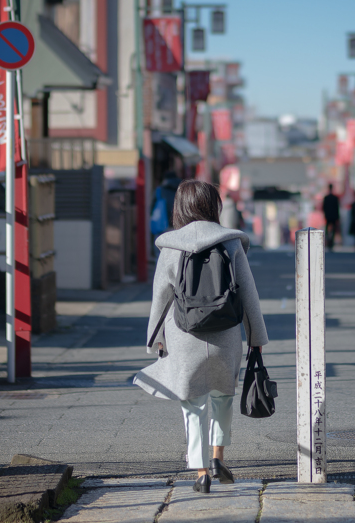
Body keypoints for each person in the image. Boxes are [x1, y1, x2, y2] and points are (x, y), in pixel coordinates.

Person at [133, 180, 269, 493]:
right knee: (223, 397)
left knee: (193, 405)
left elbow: (161, 297)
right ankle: (219, 457)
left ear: (179, 208)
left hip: (184, 334)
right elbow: (249, 294)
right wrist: (256, 338)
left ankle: (201, 472)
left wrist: (155, 338)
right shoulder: (230, 244)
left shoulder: (170, 247)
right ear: (213, 206)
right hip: (227, 335)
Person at [322, 184, 340, 251]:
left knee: (328, 228)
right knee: (333, 229)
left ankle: (328, 239)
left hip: (328, 216)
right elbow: (337, 208)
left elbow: (324, 208)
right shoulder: (335, 198)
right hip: (334, 216)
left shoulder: (326, 198)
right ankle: (331, 240)